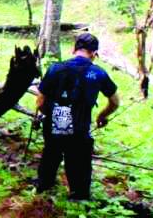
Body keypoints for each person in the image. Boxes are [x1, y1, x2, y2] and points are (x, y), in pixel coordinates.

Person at [35, 32, 120, 200]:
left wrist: (49, 113)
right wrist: (102, 116)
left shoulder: (55, 69)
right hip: (80, 125)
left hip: (56, 121)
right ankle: (78, 195)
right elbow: (115, 101)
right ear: (94, 54)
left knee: (51, 153)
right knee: (79, 160)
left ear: (74, 49)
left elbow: (39, 101)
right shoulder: (98, 73)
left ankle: (44, 184)